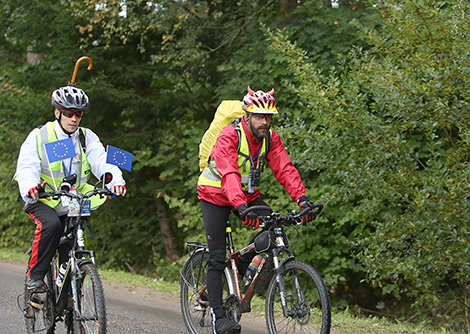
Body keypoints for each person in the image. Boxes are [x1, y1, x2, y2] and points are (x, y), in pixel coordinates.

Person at [197, 86, 317, 334]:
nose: (265, 121)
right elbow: (229, 172)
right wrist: (240, 207)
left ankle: (240, 266)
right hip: (215, 194)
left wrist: (303, 200)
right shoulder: (229, 136)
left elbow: (285, 169)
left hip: (247, 195)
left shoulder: (270, 138)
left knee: (274, 232)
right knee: (218, 257)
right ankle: (220, 318)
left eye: (269, 116)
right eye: (260, 116)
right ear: (247, 115)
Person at [15, 85, 127, 292]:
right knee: (51, 226)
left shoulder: (86, 137)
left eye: (78, 114)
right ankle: (35, 277)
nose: (74, 118)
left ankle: (69, 300)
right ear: (57, 113)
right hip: (44, 198)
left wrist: (115, 182)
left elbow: (102, 161)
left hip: (74, 200)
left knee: (72, 243)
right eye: (68, 113)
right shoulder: (40, 135)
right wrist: (31, 185)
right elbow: (27, 165)